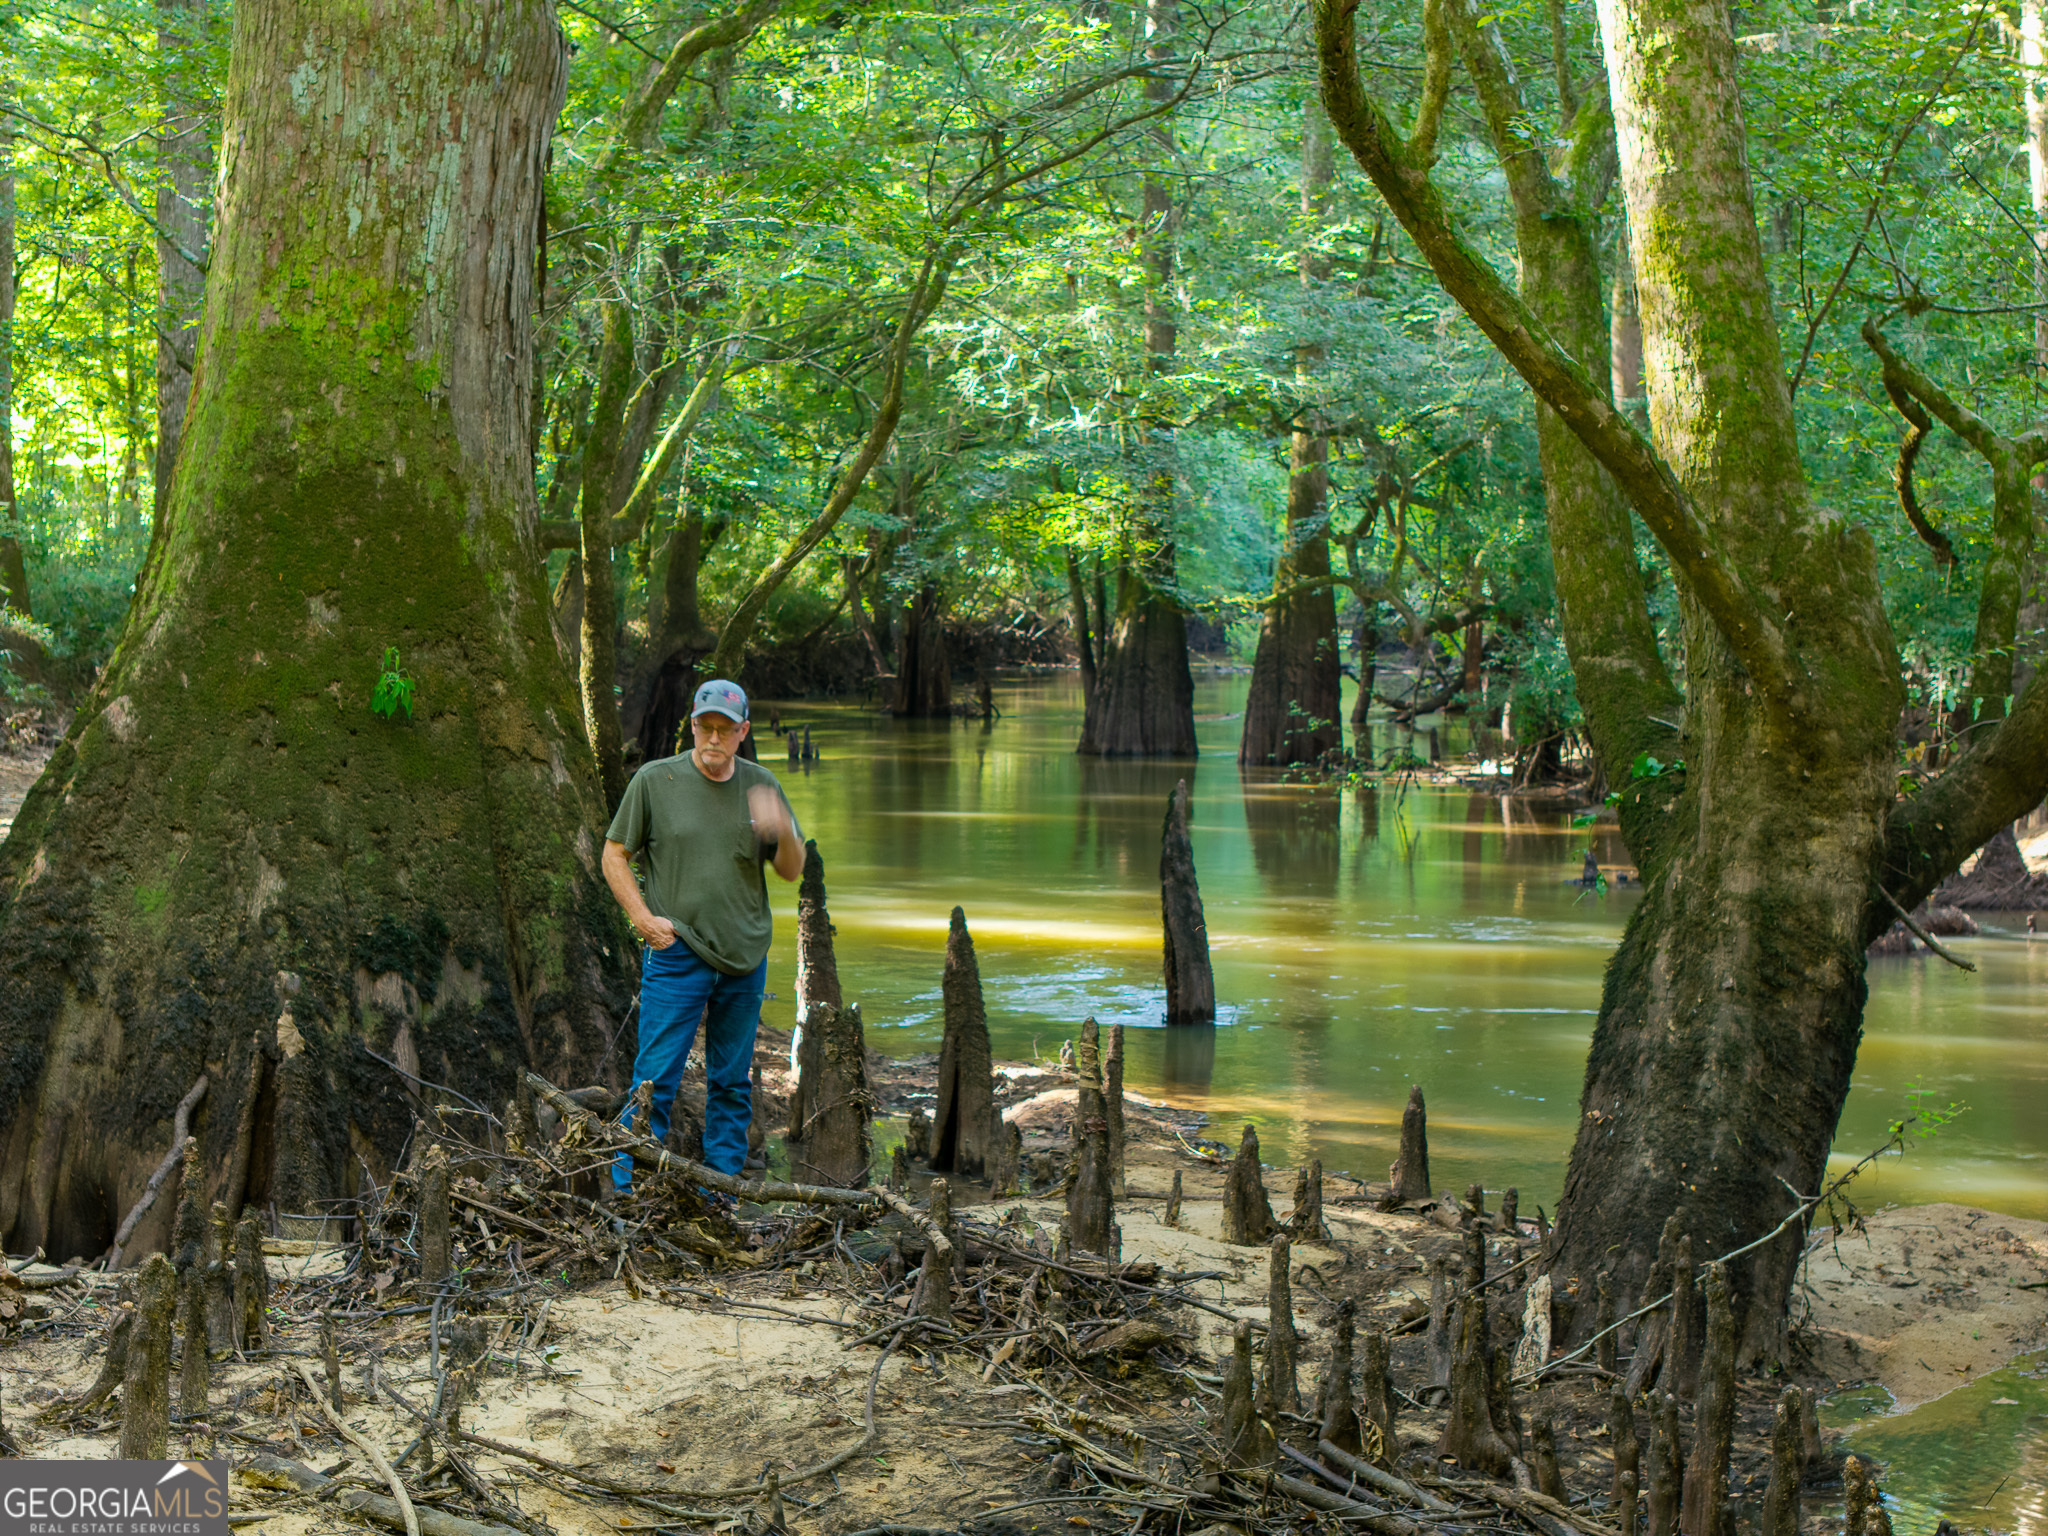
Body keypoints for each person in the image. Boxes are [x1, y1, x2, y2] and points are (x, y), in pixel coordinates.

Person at [601, 678, 803, 1191]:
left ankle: (720, 1195)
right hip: (678, 952)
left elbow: (790, 869)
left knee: (731, 1083)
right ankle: (628, 1195)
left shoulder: (761, 786)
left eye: (725, 730)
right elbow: (613, 854)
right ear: (692, 726)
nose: (713, 739)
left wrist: (781, 831)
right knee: (654, 1080)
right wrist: (644, 921)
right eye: (704, 727)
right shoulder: (654, 781)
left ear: (743, 732)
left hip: (744, 955)